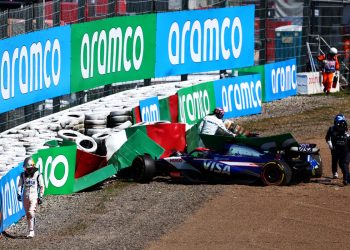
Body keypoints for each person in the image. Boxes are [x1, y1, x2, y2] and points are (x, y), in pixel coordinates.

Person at [17, 157, 45, 238]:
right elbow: (20, 185)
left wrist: (41, 196)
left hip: (34, 196)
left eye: (28, 168)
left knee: (31, 212)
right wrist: (19, 193)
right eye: (25, 168)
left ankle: (32, 230)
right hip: (25, 196)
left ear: (32, 167)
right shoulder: (22, 175)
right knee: (28, 215)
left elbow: (42, 186)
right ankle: (31, 230)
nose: (27, 170)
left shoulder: (38, 174)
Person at [325, 114, 350, 185]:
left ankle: (346, 178)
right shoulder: (331, 129)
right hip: (335, 147)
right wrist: (330, 144)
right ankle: (335, 172)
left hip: (344, 149)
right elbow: (327, 138)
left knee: (343, 163)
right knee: (335, 160)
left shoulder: (346, 130)